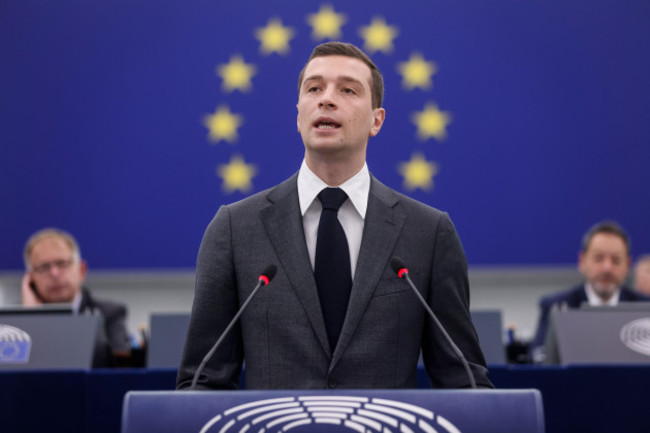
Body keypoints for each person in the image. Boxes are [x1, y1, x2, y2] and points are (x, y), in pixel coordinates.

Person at [177, 42, 492, 390]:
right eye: (314, 88)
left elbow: (463, 383)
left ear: (377, 120)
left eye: (347, 90)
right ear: (298, 116)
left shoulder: (429, 233)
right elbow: (202, 382)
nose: (326, 99)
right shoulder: (235, 229)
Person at [530, 221, 650, 362]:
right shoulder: (557, 305)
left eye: (616, 260)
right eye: (598, 258)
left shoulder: (645, 308)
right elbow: (538, 357)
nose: (607, 268)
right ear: (583, 261)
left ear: (627, 264)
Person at [22, 228, 131, 367]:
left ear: (81, 270)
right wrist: (31, 319)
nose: (54, 273)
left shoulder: (109, 314)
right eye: (44, 267)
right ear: (31, 279)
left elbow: (117, 369)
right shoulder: (13, 321)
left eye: (61, 263)